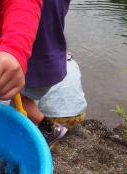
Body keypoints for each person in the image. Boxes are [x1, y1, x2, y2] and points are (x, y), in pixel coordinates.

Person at [21, 0, 87, 146]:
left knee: (18, 99)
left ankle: (50, 129)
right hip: (79, 110)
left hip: (38, 65)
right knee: (33, 97)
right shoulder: (70, 63)